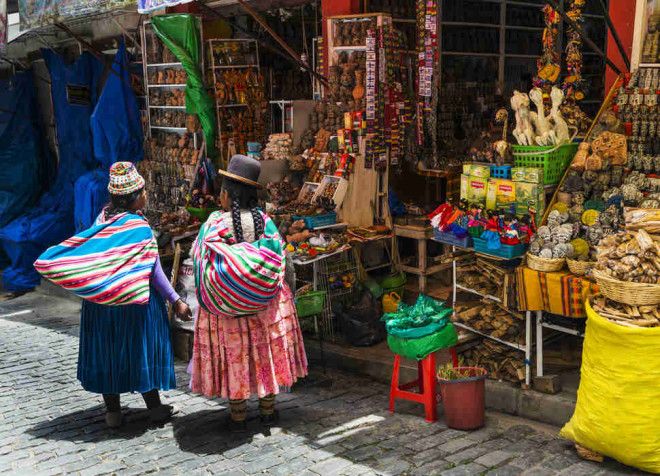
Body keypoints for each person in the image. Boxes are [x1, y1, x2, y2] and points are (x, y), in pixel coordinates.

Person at [35, 162, 192, 428]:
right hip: (135, 305)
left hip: (102, 306)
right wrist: (175, 301)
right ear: (135, 196)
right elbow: (154, 273)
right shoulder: (138, 229)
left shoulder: (101, 222)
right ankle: (154, 408)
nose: (146, 195)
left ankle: (113, 413)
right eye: (143, 191)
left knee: (109, 352)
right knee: (138, 349)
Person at [189, 155, 308, 431]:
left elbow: (199, 261)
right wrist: (285, 291)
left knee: (236, 358)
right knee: (264, 354)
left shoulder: (215, 224)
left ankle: (238, 414)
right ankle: (268, 410)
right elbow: (283, 262)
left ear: (228, 195)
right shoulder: (264, 222)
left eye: (222, 191)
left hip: (227, 314)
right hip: (264, 308)